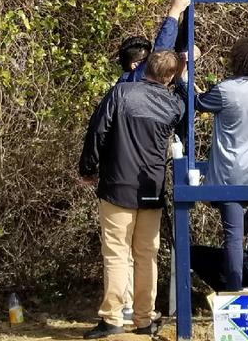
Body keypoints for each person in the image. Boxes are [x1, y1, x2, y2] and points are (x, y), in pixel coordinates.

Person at [78, 50, 186, 339]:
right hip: (151, 189)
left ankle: (112, 317)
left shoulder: (121, 93)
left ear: (145, 67)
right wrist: (185, 74)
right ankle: (143, 319)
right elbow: (188, 111)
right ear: (171, 76)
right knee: (146, 256)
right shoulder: (174, 105)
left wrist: (87, 168)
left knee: (116, 254)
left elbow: (97, 131)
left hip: (116, 186)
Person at [181, 38, 248, 301]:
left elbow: (198, 102)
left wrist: (183, 79)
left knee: (233, 237)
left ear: (236, 61)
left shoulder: (225, 90)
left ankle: (235, 294)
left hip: (230, 173)